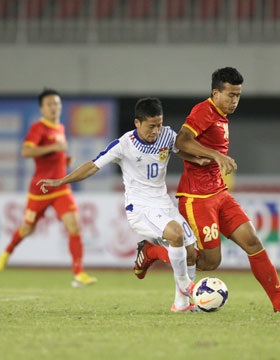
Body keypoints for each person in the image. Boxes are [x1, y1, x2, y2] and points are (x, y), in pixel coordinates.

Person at [38, 97, 209, 312]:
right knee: (176, 235)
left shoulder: (166, 134)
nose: (155, 130)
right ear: (137, 123)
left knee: (191, 253)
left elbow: (179, 149)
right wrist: (61, 181)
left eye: (159, 124)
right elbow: (92, 166)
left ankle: (181, 304)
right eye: (151, 126)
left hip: (164, 203)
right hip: (140, 208)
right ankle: (186, 286)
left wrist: (200, 159)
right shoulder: (124, 144)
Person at [172, 67, 280, 312]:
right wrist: (216, 155)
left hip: (219, 193)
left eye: (238, 96)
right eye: (230, 95)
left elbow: (186, 150)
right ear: (216, 93)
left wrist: (205, 158)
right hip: (198, 197)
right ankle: (153, 251)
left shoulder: (221, 116)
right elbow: (181, 141)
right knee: (210, 261)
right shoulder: (204, 110)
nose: (235, 101)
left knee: (252, 241)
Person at [0, 88, 97, 288]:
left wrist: (64, 160)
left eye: (57, 104)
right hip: (40, 190)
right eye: (50, 104)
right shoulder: (38, 128)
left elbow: (52, 159)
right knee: (27, 228)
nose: (54, 108)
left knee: (74, 226)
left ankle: (79, 273)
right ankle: (7, 251)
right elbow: (26, 151)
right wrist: (54, 149)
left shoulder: (60, 127)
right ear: (42, 108)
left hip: (60, 188)